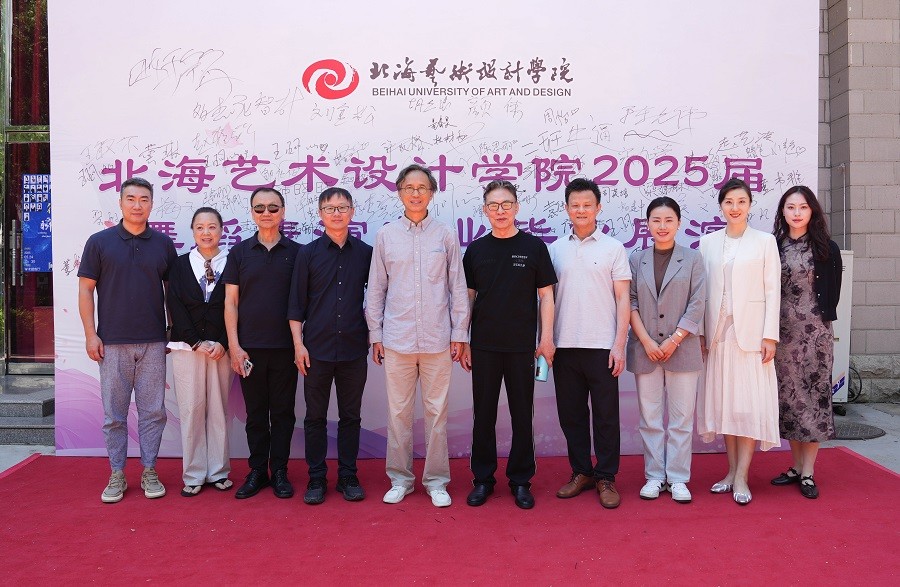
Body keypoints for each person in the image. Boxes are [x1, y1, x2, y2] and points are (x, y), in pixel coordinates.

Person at [366, 163, 470, 508]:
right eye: (409, 187)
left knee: (437, 414)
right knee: (398, 413)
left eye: (422, 187)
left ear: (432, 193)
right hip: (397, 339)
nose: (415, 193)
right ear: (399, 192)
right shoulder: (386, 236)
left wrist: (460, 333)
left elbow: (457, 287)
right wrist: (376, 334)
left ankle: (437, 481)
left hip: (438, 338)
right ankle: (400, 479)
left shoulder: (445, 235)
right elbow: (376, 289)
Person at [77, 177, 177, 503]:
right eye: (131, 199)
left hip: (153, 342)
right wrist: (91, 335)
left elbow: (172, 293)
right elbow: (85, 290)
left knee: (153, 412)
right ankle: (117, 473)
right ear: (120, 203)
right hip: (112, 342)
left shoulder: (163, 244)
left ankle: (149, 470)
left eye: (144, 199)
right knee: (114, 416)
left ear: (152, 204)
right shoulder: (99, 242)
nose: (137, 205)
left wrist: (172, 333)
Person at [460, 180, 557, 510]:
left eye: (506, 204)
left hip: (522, 347)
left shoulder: (534, 247)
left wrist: (546, 339)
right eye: (493, 205)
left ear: (516, 207)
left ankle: (520, 481)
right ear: (485, 210)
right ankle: (482, 480)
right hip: (484, 346)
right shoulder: (476, 250)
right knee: (483, 415)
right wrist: (464, 339)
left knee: (522, 415)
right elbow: (468, 298)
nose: (500, 211)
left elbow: (546, 296)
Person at [548, 178, 631, 509]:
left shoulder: (613, 248)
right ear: (567, 209)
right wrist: (546, 341)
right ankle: (581, 472)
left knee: (606, 416)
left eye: (587, 205)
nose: (581, 210)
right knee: (572, 415)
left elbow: (623, 298)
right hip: (564, 345)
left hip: (603, 346)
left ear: (598, 208)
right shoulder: (555, 249)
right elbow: (546, 299)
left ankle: (606, 476)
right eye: (575, 205)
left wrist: (619, 344)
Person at [698, 177, 781, 506]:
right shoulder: (707, 243)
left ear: (750, 205)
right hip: (718, 336)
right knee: (726, 408)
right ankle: (731, 472)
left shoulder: (765, 242)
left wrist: (770, 335)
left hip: (751, 337)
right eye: (729, 202)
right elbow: (701, 292)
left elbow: (773, 290)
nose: (735, 208)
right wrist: (702, 333)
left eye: (741, 202)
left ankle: (743, 476)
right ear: (721, 206)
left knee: (746, 408)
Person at [289, 187, 373, 505]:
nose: (336, 213)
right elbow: (296, 304)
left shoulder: (366, 253)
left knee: (351, 416)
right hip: (316, 349)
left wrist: (376, 334)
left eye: (342, 207)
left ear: (352, 212)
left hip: (353, 348)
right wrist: (298, 345)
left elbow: (379, 298)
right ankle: (316, 477)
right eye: (330, 208)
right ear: (320, 214)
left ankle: (348, 476)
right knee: (315, 417)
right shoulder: (307, 254)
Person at [626, 197, 706, 504]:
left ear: (678, 223)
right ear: (647, 224)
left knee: (681, 419)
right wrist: (647, 341)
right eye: (656, 220)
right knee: (650, 417)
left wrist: (674, 339)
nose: (662, 226)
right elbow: (630, 302)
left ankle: (678, 478)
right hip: (645, 348)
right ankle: (654, 476)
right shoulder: (636, 259)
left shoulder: (693, 258)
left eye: (668, 220)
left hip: (682, 348)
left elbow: (698, 302)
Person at [223, 187, 301, 499]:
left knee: (283, 413)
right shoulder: (240, 253)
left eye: (272, 207)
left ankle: (279, 471)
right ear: (252, 213)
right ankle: (257, 471)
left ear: (283, 212)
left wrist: (299, 344)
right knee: (256, 414)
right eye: (259, 208)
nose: (266, 213)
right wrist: (234, 346)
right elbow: (230, 302)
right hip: (249, 349)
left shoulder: (297, 253)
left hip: (286, 349)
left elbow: (303, 302)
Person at [770, 185, 842, 499]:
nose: (797, 213)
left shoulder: (827, 248)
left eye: (803, 207)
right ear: (782, 212)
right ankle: (796, 466)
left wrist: (818, 323)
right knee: (789, 400)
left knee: (813, 400)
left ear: (812, 210)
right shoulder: (773, 246)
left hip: (816, 336)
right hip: (782, 336)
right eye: (790, 207)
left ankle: (808, 472)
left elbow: (834, 292)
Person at [166, 207, 234, 497]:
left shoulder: (233, 262)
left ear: (221, 230)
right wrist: (195, 341)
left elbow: (238, 305)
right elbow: (174, 304)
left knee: (218, 409)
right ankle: (193, 473)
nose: (207, 233)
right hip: (187, 347)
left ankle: (218, 470)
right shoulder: (180, 264)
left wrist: (223, 342)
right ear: (193, 231)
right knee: (191, 409)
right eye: (200, 227)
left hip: (221, 349)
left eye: (212, 227)